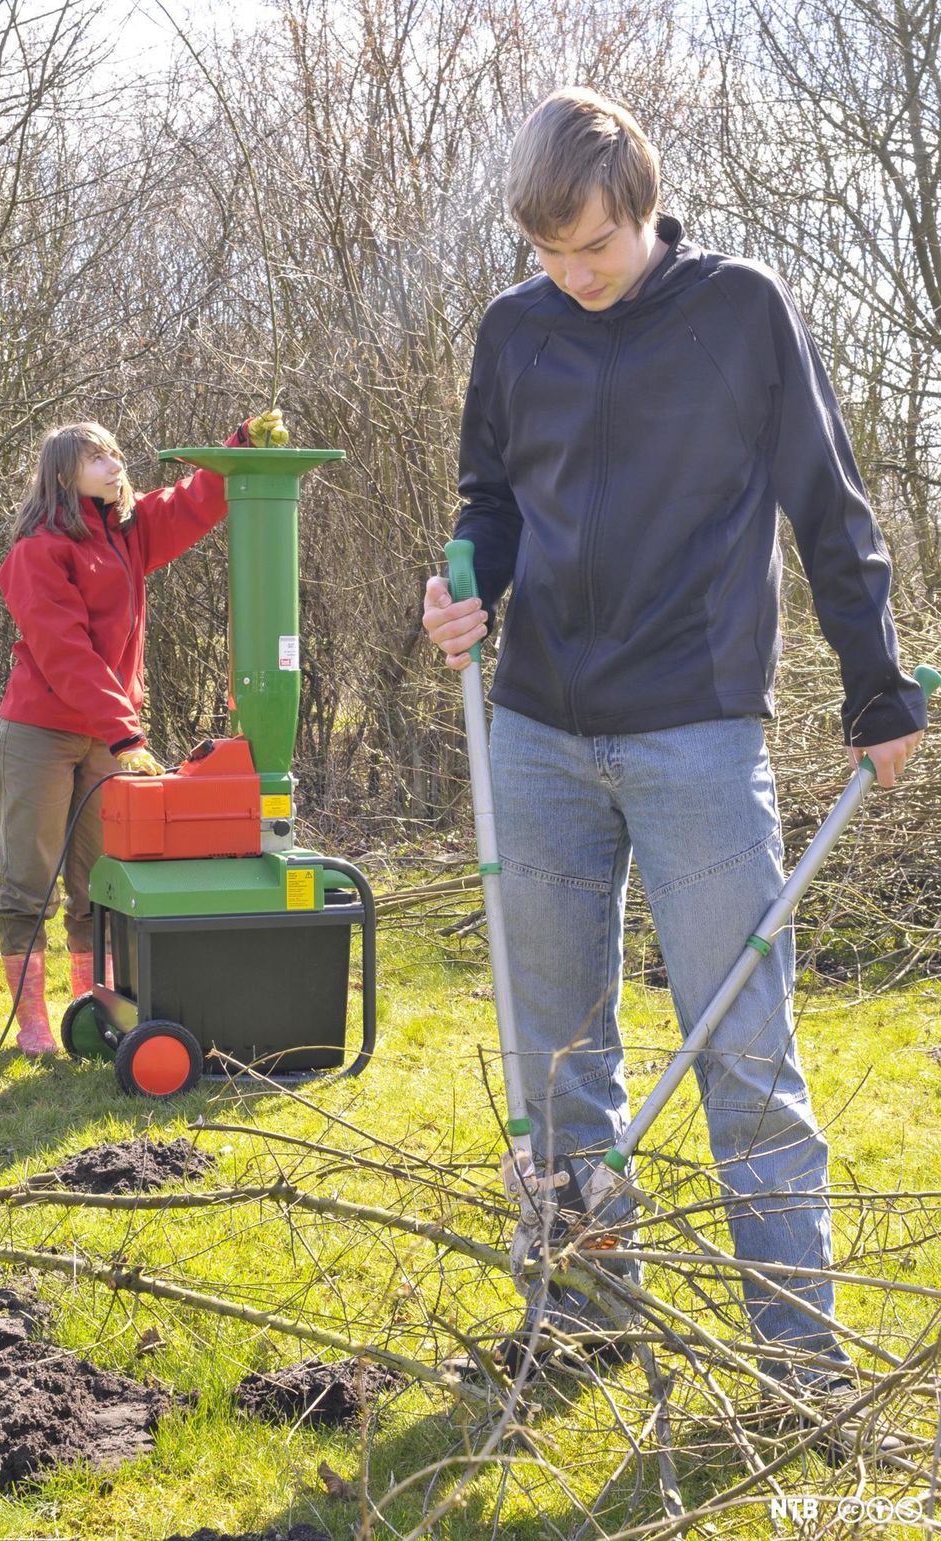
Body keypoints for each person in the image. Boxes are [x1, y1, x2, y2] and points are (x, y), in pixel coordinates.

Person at [423, 88, 926, 1423]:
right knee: (556, 1051)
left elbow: (831, 504)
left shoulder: (740, 312)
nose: (574, 277)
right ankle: (582, 1313)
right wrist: (465, 584)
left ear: (642, 205)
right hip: (535, 733)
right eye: (550, 255)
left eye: (594, 246)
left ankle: (798, 1372)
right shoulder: (514, 331)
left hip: (697, 732)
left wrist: (877, 687)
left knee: (744, 1055)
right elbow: (490, 501)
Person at [0, 414, 275, 1055]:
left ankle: (92, 1007)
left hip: (106, 735)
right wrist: (125, 732)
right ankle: (31, 1025)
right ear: (64, 472)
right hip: (41, 729)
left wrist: (238, 447)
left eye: (117, 453)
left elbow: (191, 503)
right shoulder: (37, 550)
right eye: (99, 458)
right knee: (29, 883)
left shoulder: (129, 530)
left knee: (101, 880)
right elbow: (66, 655)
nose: (116, 463)